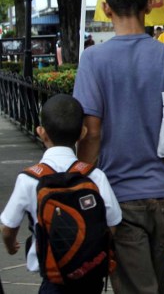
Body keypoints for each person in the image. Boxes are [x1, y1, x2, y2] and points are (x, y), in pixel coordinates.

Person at [73, 0, 164, 294]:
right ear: (149, 4)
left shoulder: (93, 61)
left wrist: (83, 191)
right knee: (154, 286)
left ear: (106, 8)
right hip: (163, 200)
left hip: (118, 201)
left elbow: (91, 135)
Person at [0, 94, 122, 294]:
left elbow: (8, 226)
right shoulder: (94, 176)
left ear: (41, 132)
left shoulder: (29, 179)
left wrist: (11, 244)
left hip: (53, 280)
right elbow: (113, 222)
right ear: (82, 133)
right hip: (90, 278)